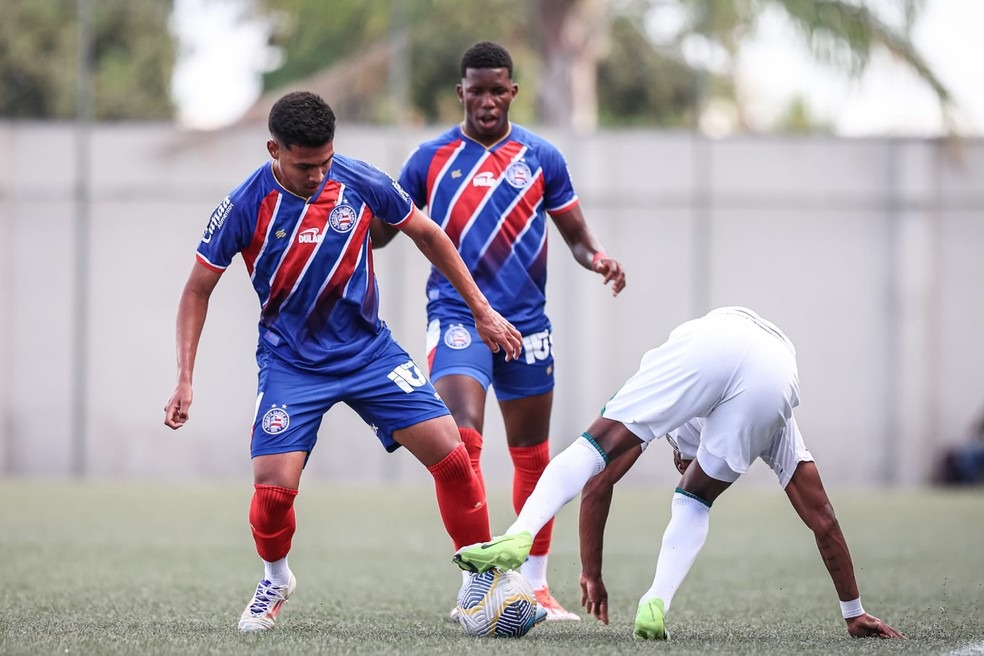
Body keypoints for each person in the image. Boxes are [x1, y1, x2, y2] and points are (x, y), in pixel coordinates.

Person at [163, 91, 524, 632]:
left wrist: (482, 310)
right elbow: (197, 290)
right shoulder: (243, 206)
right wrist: (185, 378)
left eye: (326, 161)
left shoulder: (358, 179)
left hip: (368, 353)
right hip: (291, 364)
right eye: (305, 165)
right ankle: (276, 576)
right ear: (274, 150)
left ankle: (478, 576)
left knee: (452, 455)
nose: (318, 174)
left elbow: (427, 232)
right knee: (272, 496)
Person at [453, 306, 905, 640]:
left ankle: (520, 532)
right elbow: (822, 518)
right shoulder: (779, 425)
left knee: (595, 446)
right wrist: (853, 611)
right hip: (775, 369)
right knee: (695, 499)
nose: (682, 468)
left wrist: (592, 573)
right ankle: (656, 601)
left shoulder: (670, 396)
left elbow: (600, 478)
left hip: (710, 340)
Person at [370, 40, 626, 621]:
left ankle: (533, 585)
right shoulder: (428, 160)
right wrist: (353, 230)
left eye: (497, 89)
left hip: (528, 324)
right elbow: (389, 228)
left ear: (513, 91)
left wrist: (599, 258)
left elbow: (577, 235)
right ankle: (479, 586)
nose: (486, 100)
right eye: (475, 90)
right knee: (462, 440)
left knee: (532, 456)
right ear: (460, 92)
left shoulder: (541, 157)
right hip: (458, 318)